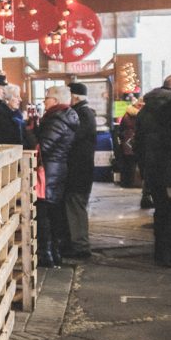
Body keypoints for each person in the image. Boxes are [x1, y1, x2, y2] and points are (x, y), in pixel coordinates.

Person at [33, 85, 80, 268]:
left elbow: (44, 147)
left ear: (55, 100)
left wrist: (30, 135)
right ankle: (54, 253)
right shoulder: (65, 117)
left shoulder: (55, 119)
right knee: (53, 213)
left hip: (48, 172)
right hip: (57, 169)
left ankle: (46, 255)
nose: (44, 102)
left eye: (46, 98)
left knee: (44, 214)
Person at [133, 74, 171, 267]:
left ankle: (161, 254)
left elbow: (137, 144)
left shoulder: (145, 111)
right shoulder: (170, 109)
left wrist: (144, 168)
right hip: (169, 170)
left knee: (162, 211)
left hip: (154, 170)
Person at [63, 82, 97, 259]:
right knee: (76, 206)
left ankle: (81, 247)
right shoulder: (85, 112)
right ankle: (78, 244)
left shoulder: (81, 114)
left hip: (78, 170)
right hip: (81, 169)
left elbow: (72, 139)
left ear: (74, 97)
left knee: (76, 207)